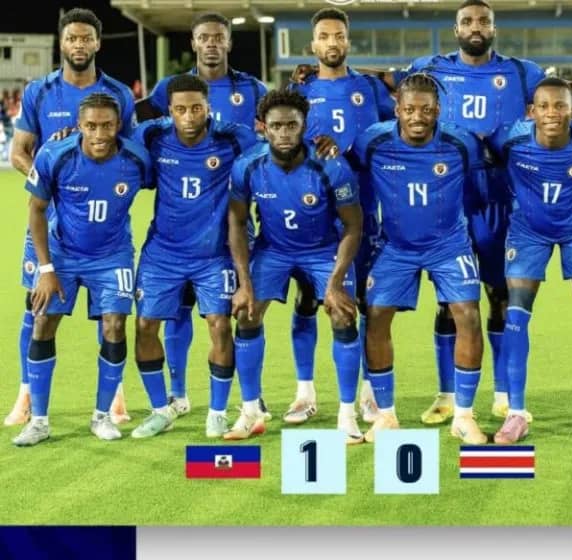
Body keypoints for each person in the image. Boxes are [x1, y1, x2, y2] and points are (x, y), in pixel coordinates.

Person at [398, 0, 545, 424]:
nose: (475, 27)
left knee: (501, 296)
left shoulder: (523, 72)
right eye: (467, 21)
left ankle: (503, 393)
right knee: (449, 301)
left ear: (494, 28)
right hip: (448, 201)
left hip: (501, 199)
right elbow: (388, 84)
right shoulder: (430, 68)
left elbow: (561, 96)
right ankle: (446, 395)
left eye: (483, 21)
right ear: (456, 29)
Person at [135, 12, 269, 419]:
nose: (211, 43)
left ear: (228, 42)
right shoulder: (167, 94)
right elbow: (135, 127)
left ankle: (250, 396)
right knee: (175, 311)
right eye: (204, 37)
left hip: (228, 223)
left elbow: (272, 140)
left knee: (236, 316)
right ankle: (177, 394)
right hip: (175, 231)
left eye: (218, 37)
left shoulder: (252, 89)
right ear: (193, 43)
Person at [7, 7, 135, 428]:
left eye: (86, 38)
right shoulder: (39, 92)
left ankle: (115, 396)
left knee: (111, 311)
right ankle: (26, 396)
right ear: (62, 42)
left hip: (105, 226)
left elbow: (129, 154)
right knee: (37, 308)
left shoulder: (119, 93)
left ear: (98, 42)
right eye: (72, 38)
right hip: (51, 223)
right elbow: (19, 152)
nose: (79, 45)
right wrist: (52, 184)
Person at [352, 73, 487, 444]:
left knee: (468, 315)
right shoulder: (373, 141)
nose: (417, 117)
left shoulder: (461, 142)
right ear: (397, 109)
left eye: (426, 110)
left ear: (438, 110)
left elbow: (480, 187)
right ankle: (386, 416)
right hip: (396, 246)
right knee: (376, 316)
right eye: (409, 109)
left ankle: (464, 415)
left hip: (449, 245)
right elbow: (351, 174)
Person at [14, 93, 152, 446]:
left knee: (115, 325)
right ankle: (39, 421)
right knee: (43, 322)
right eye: (91, 126)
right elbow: (35, 210)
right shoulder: (55, 154)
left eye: (107, 125)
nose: (99, 134)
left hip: (113, 255)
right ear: (79, 125)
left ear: (118, 125)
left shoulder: (137, 159)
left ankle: (102, 416)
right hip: (62, 253)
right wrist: (46, 269)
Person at [488, 78, 572, 447]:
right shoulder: (509, 138)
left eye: (560, 105)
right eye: (544, 106)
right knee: (516, 313)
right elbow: (486, 154)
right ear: (531, 112)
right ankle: (516, 414)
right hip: (528, 231)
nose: (552, 113)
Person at [227, 88, 364, 442]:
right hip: (274, 250)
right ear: (263, 127)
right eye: (276, 126)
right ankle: (250, 411)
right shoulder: (248, 166)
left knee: (342, 314)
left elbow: (353, 226)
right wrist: (244, 283)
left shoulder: (331, 165)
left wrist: (335, 284)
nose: (284, 133)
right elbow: (237, 223)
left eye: (292, 125)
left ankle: (347, 416)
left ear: (305, 125)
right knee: (246, 313)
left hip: (323, 250)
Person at [283, 7, 394, 426]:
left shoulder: (369, 87)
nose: (332, 42)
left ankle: (368, 392)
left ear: (348, 41)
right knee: (307, 300)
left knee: (364, 301)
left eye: (339, 36)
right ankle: (304, 393)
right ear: (313, 44)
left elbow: (395, 132)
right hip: (311, 215)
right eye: (325, 36)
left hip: (362, 210)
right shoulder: (299, 89)